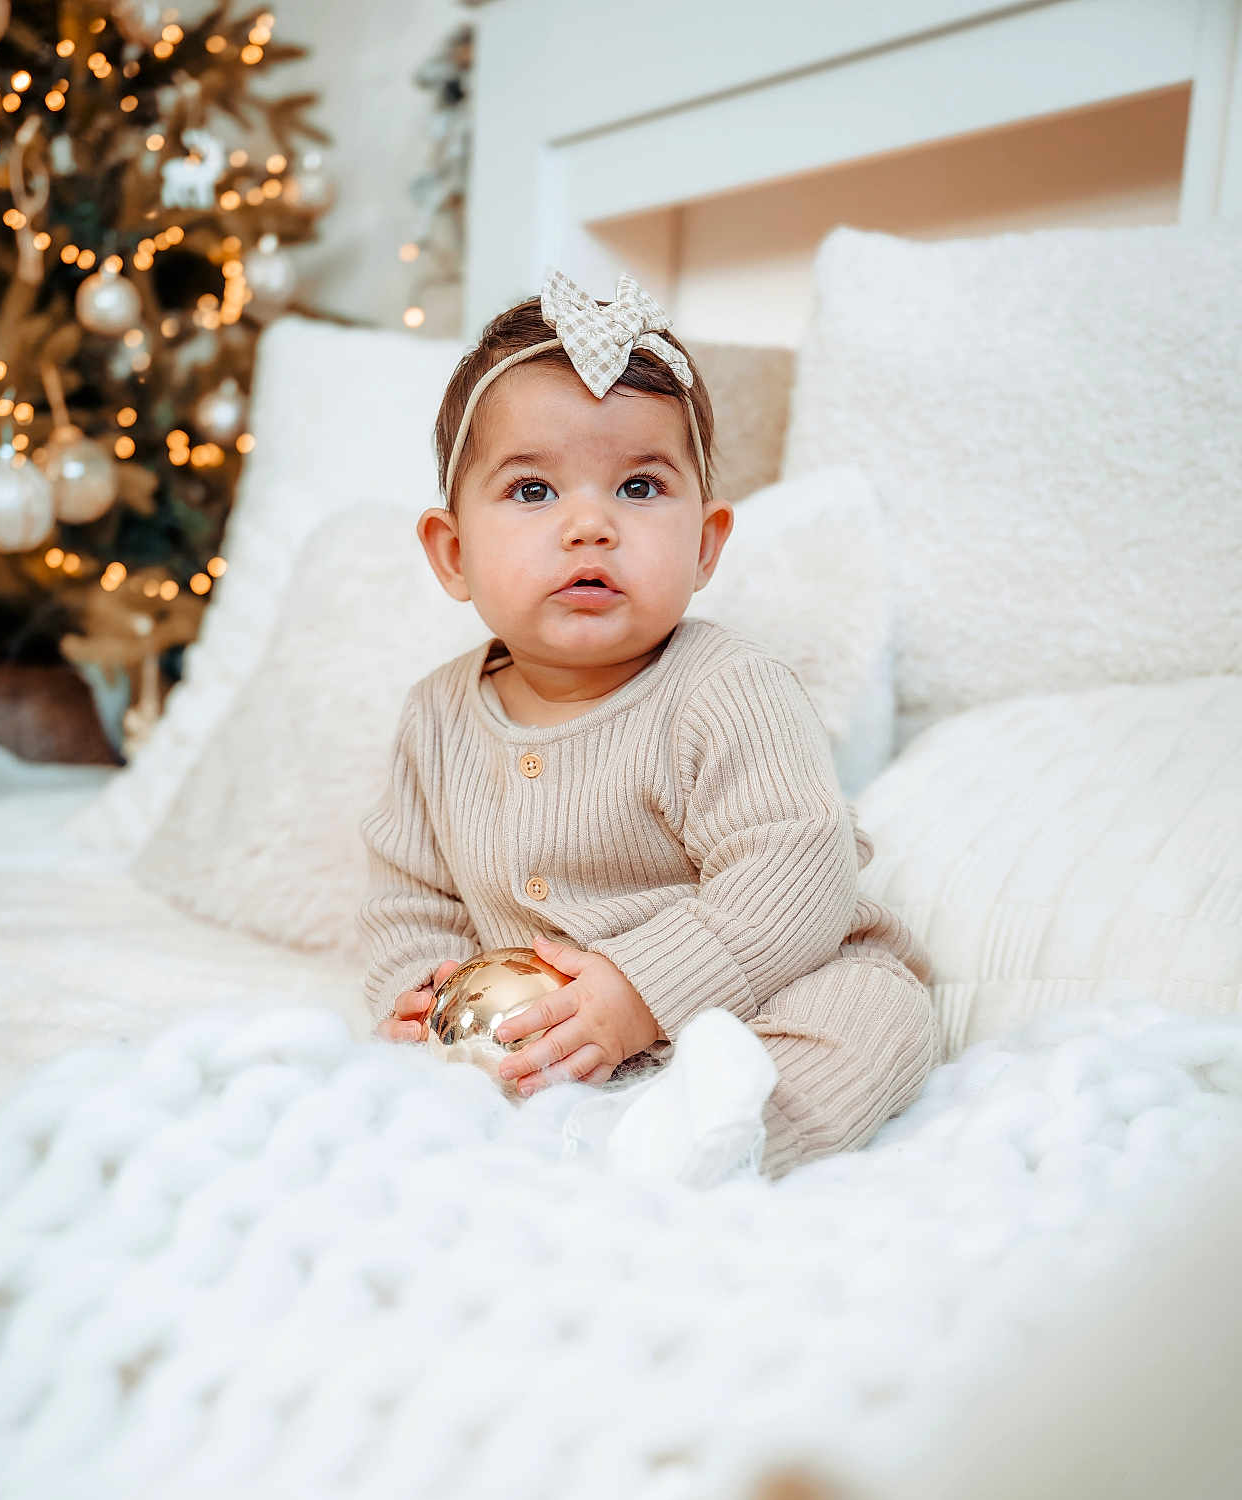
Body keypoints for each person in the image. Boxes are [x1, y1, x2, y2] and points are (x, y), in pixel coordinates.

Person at [357, 268, 939, 1179]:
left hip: (759, 992)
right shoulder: (436, 717)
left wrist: (642, 989)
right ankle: (563, 1134)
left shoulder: (726, 688)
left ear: (705, 544)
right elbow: (410, 899)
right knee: (424, 1077)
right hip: (551, 1030)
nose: (590, 525)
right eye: (533, 492)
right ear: (454, 552)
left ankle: (721, 1147)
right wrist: (417, 992)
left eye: (638, 487)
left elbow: (797, 868)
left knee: (876, 1014)